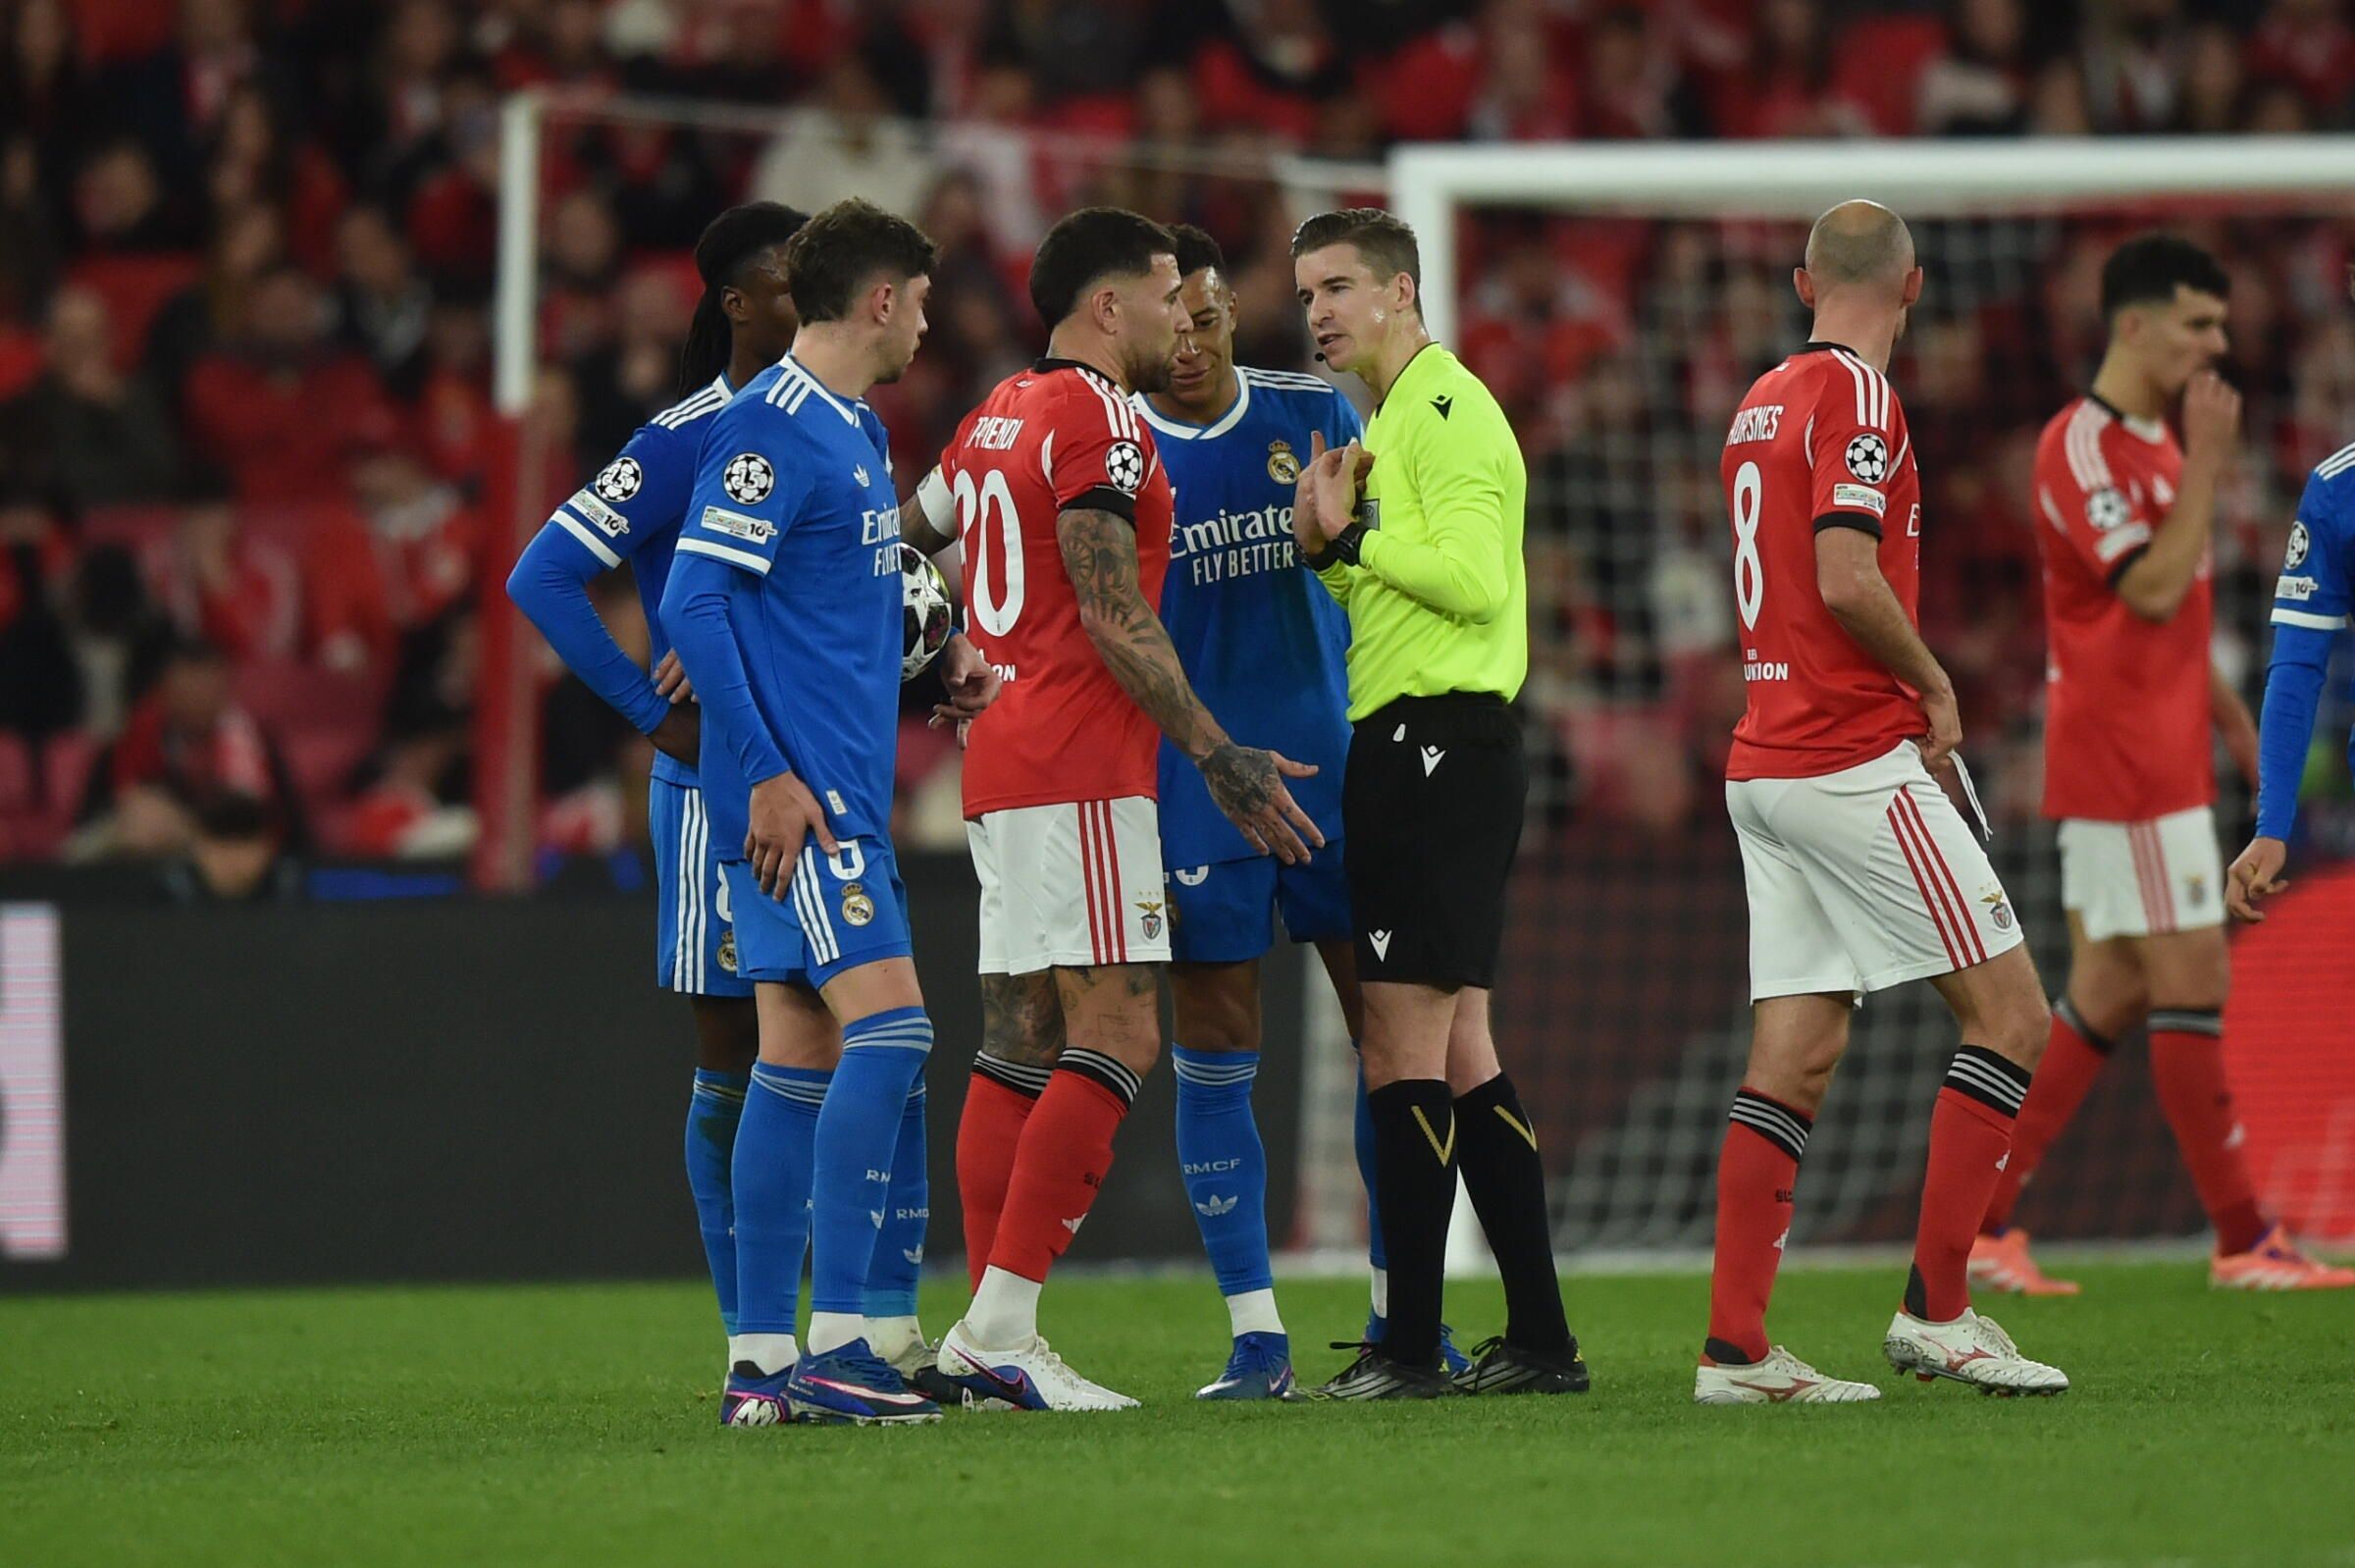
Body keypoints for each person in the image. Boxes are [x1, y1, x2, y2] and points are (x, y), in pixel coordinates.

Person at [904, 207, 1321, 1411]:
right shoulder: (1098, 418)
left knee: (1020, 1037)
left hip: (1001, 761)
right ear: (1106, 306)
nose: (1179, 314)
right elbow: (1112, 611)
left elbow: (901, 543)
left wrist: (937, 661)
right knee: (1124, 1031)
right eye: (1162, 294)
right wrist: (1217, 755)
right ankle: (1003, 1326)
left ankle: (984, 1326)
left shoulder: (994, 414)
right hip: (1084, 762)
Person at [1692, 201, 2066, 1403]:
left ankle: (1738, 1349)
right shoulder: (1858, 398)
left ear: (1805, 279)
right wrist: (1934, 677)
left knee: (1796, 1052)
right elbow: (1847, 574)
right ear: (1915, 289)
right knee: (2013, 1016)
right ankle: (1939, 1310)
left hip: (1765, 764)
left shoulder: (1761, 398)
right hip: (1850, 761)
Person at [659, 199, 995, 1427]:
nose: (923, 320)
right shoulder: (769, 431)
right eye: (915, 298)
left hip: (837, 784)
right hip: (800, 799)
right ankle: (845, 1340)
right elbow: (694, 604)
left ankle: (759, 1362)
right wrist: (760, 773)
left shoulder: (856, 427)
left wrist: (935, 663)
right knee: (895, 1036)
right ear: (876, 302)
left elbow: (828, 609)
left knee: (795, 1059)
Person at [1974, 235, 2352, 1295]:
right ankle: (2244, 1238)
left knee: (2108, 988)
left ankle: (1986, 1220)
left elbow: (2175, 625)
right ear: (2133, 326)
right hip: (2128, 766)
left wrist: (2238, 731)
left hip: (2163, 752)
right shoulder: (2086, 447)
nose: (2218, 343)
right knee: (2193, 978)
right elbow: (2147, 590)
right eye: (2199, 323)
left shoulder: (2151, 449)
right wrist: (2210, 468)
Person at [507, 201, 808, 1385]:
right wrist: (653, 709)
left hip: (826, 777)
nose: (816, 290)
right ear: (738, 302)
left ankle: (859, 1330)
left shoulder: (842, 421)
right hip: (711, 787)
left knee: (858, 1038)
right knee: (735, 1044)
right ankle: (752, 1341)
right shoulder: (681, 437)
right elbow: (543, 574)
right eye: (794, 275)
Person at [1287, 208, 1583, 1400]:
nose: (1319, 310)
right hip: (1433, 743)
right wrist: (1333, 551)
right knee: (1462, 1052)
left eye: (1343, 284)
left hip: (1433, 744)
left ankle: (1407, 1347)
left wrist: (1350, 530)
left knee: (1398, 1047)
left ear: (1404, 291)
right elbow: (1415, 588)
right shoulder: (1391, 417)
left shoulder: (1446, 409)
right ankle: (1543, 1338)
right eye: (1308, 289)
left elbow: (1470, 580)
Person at [1133, 223, 1422, 1400]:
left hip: (1341, 769)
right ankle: (1257, 1335)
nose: (1194, 339)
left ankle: (1402, 1318)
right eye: (1175, 320)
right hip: (1199, 787)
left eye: (1211, 315)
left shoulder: (1319, 412)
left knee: (1392, 1042)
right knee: (1218, 1050)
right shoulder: (1115, 448)